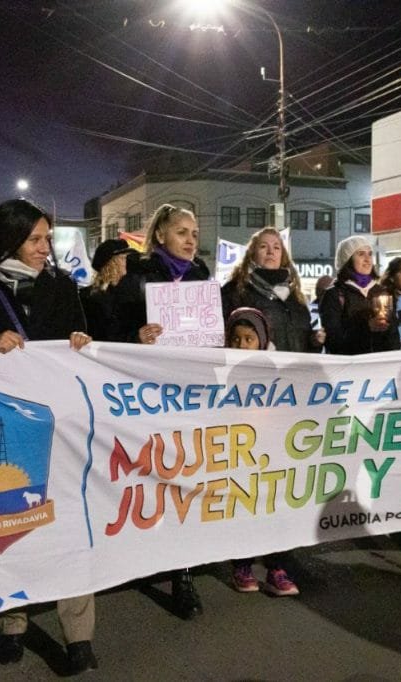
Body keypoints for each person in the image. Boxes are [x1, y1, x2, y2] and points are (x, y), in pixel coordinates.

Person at [0, 198, 98, 673]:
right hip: (1, 427)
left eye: (47, 238)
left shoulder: (62, 287)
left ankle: (79, 635)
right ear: (10, 241)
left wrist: (82, 342)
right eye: (35, 239)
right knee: (10, 526)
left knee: (71, 526)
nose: (45, 247)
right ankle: (12, 622)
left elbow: (82, 340)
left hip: (60, 426)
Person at [109, 203, 209, 618]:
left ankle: (181, 572)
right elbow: (107, 333)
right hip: (148, 395)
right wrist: (135, 336)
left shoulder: (203, 277)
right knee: (154, 477)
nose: (190, 240)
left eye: (194, 234)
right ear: (161, 235)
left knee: (187, 476)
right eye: (182, 232)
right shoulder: (136, 278)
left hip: (191, 393)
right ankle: (142, 553)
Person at [223, 307, 301, 596]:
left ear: (262, 340)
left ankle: (276, 567)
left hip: (272, 449)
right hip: (240, 450)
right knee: (242, 506)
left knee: (276, 505)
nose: (242, 346)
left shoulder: (277, 369)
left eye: (249, 339)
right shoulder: (220, 368)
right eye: (236, 339)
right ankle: (242, 565)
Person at [221, 227, 324, 352]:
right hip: (255, 364)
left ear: (282, 256)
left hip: (293, 364)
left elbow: (305, 344)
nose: (270, 252)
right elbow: (222, 337)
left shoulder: (295, 298)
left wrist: (315, 340)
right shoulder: (235, 291)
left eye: (276, 248)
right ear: (252, 254)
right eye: (263, 246)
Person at [320, 235, 400, 354]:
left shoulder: (381, 291)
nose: (368, 259)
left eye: (370, 254)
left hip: (380, 363)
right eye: (361, 254)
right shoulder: (334, 294)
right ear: (347, 260)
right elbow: (332, 340)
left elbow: (393, 336)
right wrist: (367, 328)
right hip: (351, 364)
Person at [80, 238, 134, 341]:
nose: (126, 262)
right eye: (122, 258)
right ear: (110, 263)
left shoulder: (127, 291)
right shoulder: (90, 297)